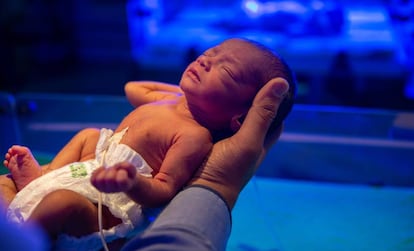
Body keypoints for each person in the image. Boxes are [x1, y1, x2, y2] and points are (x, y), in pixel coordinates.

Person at [2, 38, 296, 250]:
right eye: (210, 53)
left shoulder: (194, 136)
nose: (205, 60)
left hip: (106, 207)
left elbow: (164, 189)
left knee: (59, 203)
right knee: (88, 136)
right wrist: (185, 95)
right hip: (90, 170)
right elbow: (133, 88)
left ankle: (24, 240)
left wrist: (131, 183)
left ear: (239, 118)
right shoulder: (170, 103)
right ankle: (43, 177)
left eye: (226, 71)